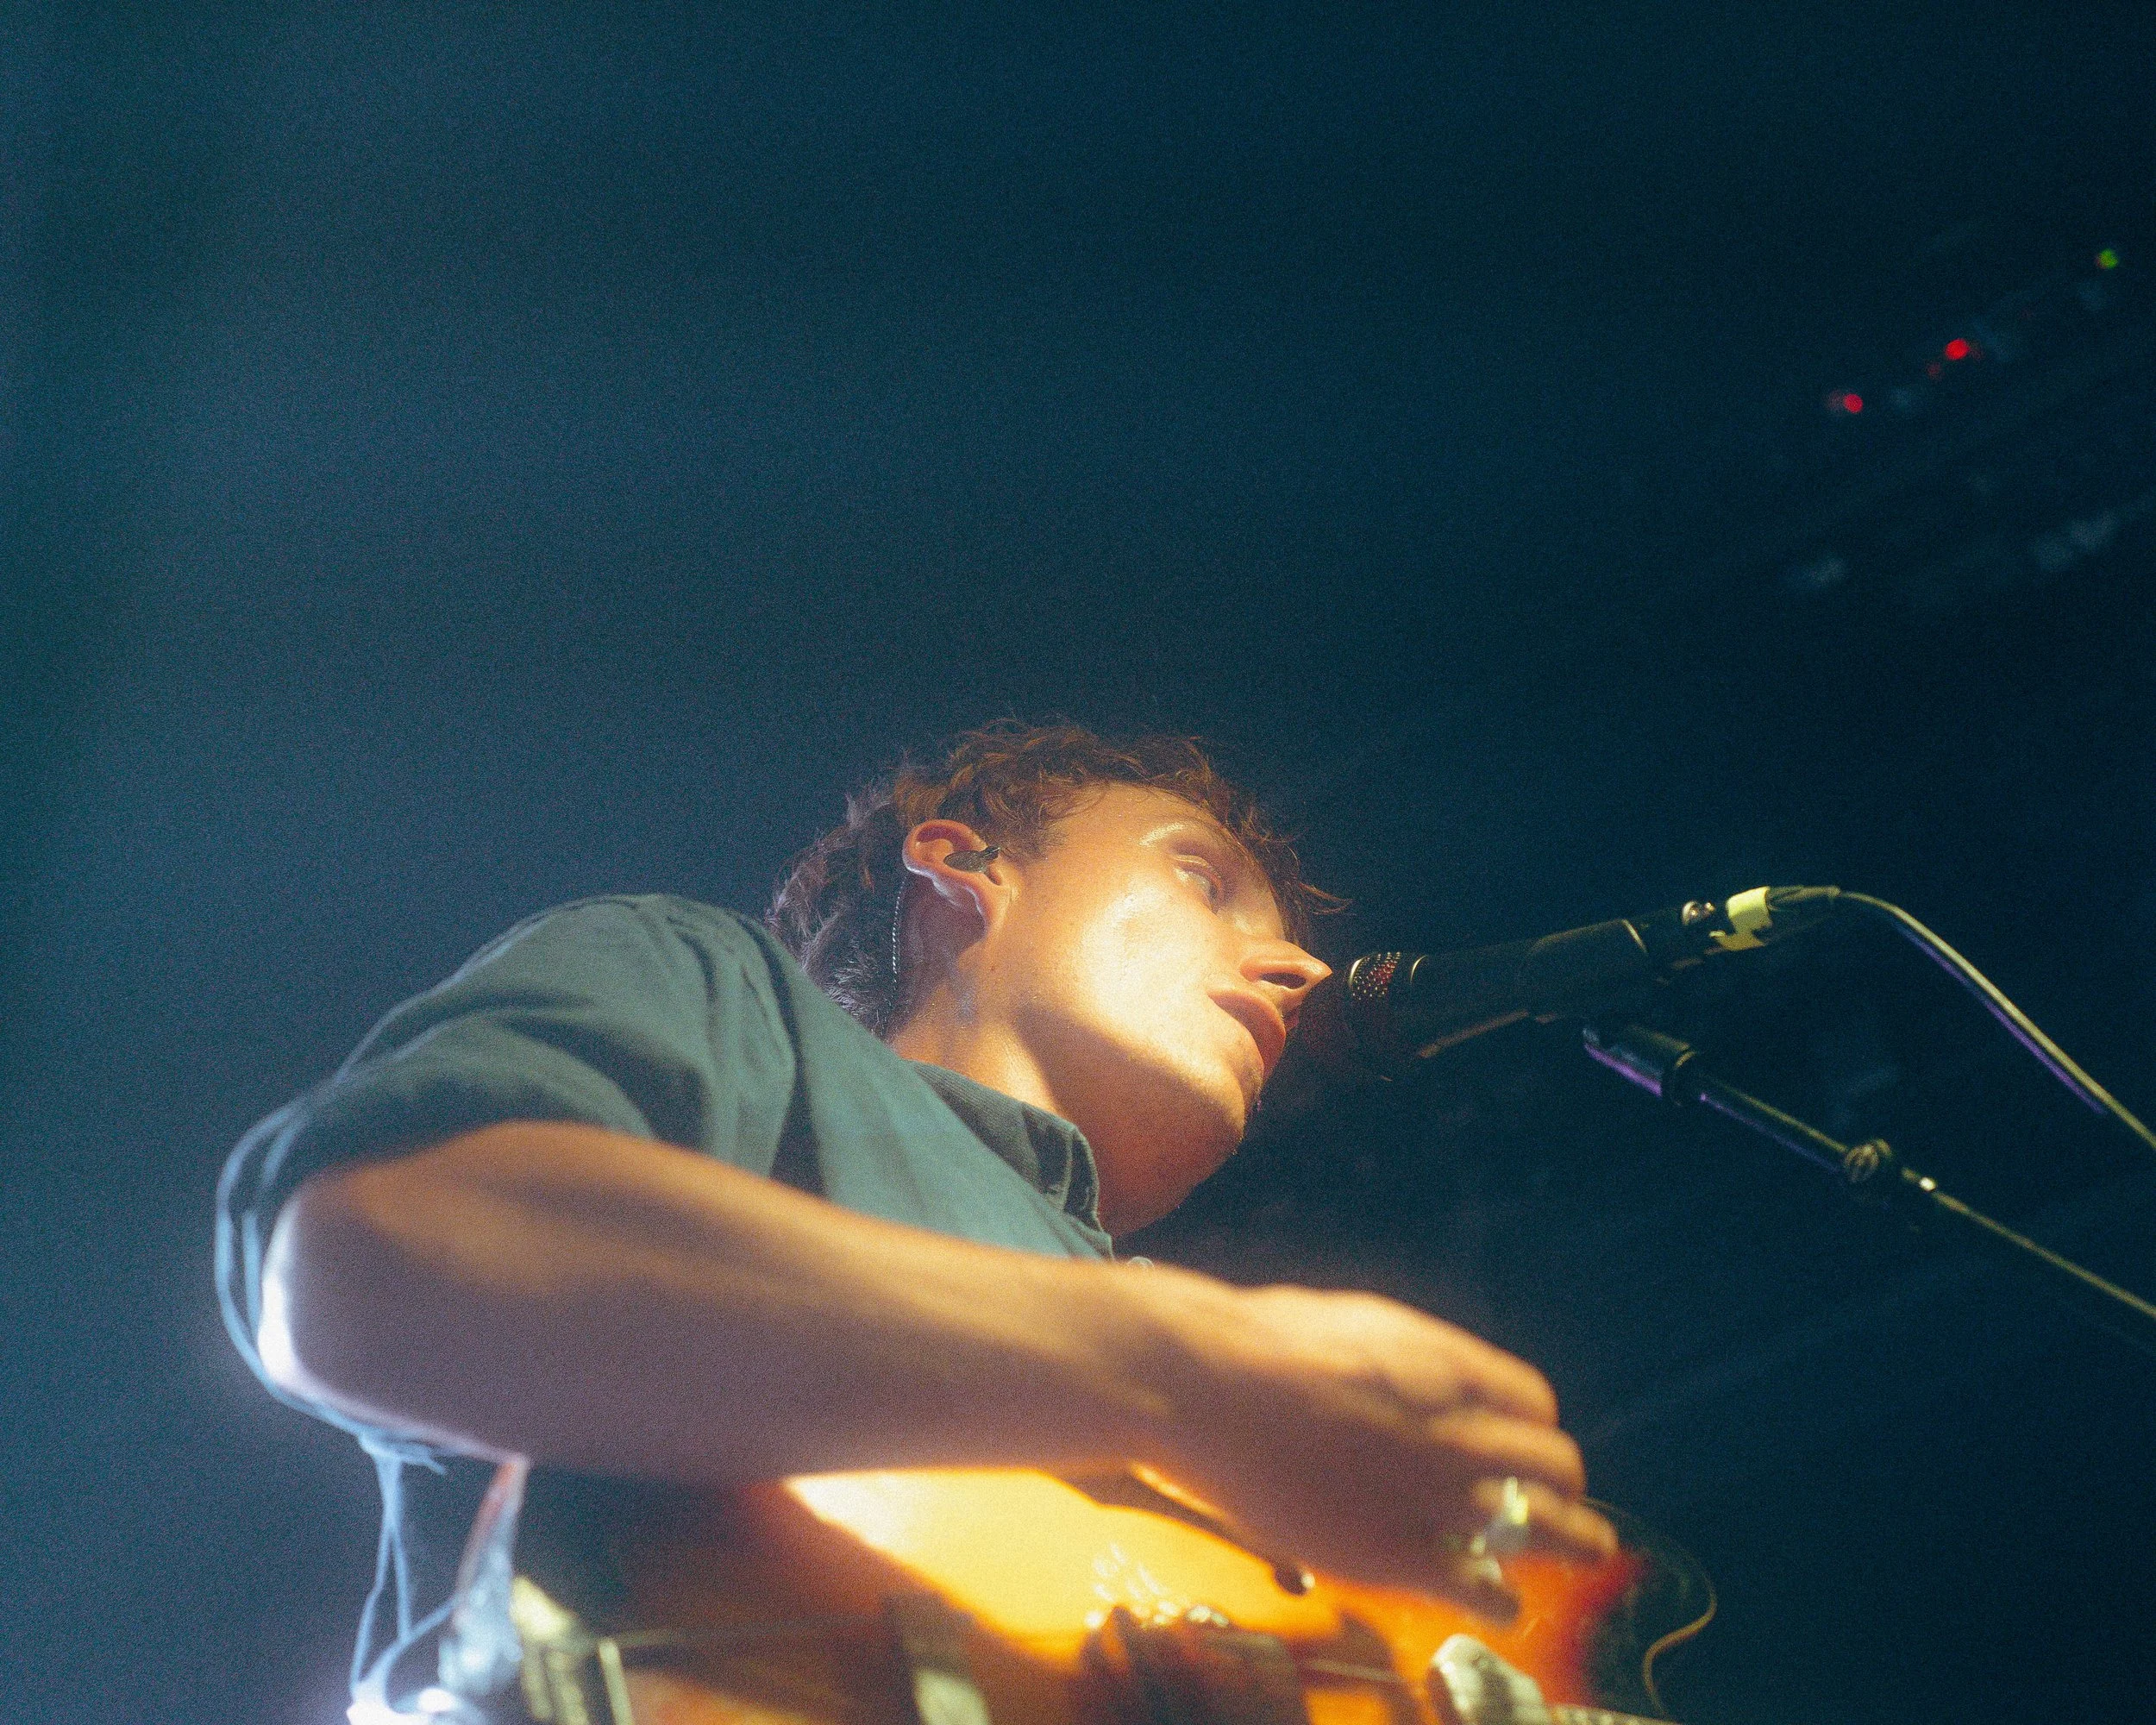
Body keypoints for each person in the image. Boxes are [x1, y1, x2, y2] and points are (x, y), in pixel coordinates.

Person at [217, 723, 1614, 1722]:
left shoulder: (1197, 1396)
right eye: (1204, 878)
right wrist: (1184, 1368)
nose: (1296, 966)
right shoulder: (712, 985)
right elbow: (374, 1259)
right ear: (960, 867)